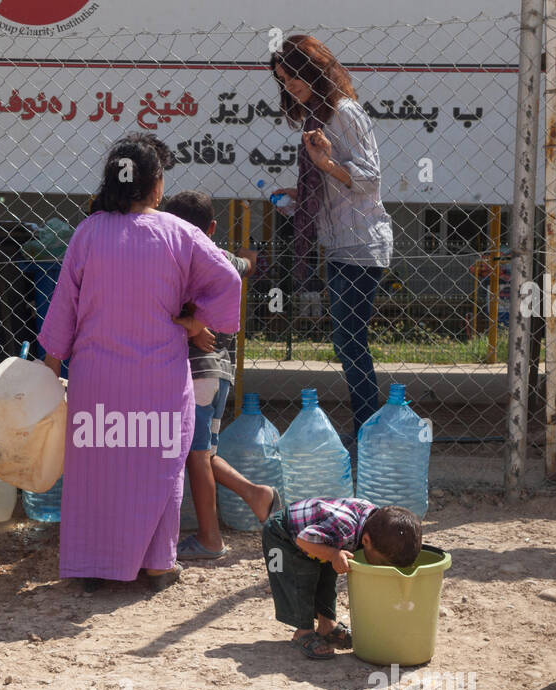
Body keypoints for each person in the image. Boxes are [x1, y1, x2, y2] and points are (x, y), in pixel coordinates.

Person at [38, 133, 243, 593]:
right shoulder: (180, 233)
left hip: (97, 381)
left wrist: (50, 372)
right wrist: (195, 320)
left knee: (97, 468)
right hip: (159, 381)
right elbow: (229, 279)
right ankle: (156, 565)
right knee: (158, 467)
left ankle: (93, 565)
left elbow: (63, 308)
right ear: (154, 184)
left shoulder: (88, 232)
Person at [271, 35, 394, 437]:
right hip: (340, 242)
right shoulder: (316, 116)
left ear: (314, 70)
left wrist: (324, 162)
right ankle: (366, 428)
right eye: (282, 79)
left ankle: (367, 431)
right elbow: (333, 179)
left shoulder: (344, 112)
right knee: (346, 344)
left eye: (293, 75)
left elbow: (369, 178)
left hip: (361, 241)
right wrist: (302, 193)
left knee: (350, 343)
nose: (289, 85)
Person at [158, 190, 281, 560]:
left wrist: (191, 324)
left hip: (195, 373)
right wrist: (252, 253)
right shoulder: (223, 258)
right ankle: (256, 493)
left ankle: (210, 539)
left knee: (194, 455)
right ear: (211, 227)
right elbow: (247, 266)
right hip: (221, 375)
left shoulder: (177, 260)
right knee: (204, 451)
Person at [262, 498, 422, 660]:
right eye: (382, 563)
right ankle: (304, 632)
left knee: (327, 576)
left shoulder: (379, 524)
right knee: (301, 579)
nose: (383, 568)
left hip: (319, 538)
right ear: (366, 541)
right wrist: (332, 554)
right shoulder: (344, 528)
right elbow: (303, 539)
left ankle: (327, 626)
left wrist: (333, 557)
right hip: (284, 535)